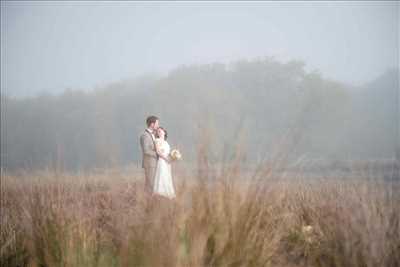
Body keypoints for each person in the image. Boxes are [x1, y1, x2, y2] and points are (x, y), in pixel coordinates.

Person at [153, 127, 176, 199]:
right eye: (157, 132)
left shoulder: (166, 142)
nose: (159, 132)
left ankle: (167, 193)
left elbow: (168, 153)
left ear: (164, 132)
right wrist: (165, 158)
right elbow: (158, 151)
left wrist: (173, 157)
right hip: (162, 161)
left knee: (167, 176)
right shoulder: (157, 140)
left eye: (160, 131)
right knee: (162, 175)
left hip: (167, 162)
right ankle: (160, 193)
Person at [139, 115, 159, 193]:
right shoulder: (145, 135)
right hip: (150, 164)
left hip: (154, 163)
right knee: (150, 185)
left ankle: (150, 202)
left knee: (153, 185)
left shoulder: (153, 135)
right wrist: (157, 154)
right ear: (152, 124)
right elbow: (146, 150)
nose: (158, 126)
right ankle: (148, 202)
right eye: (157, 124)